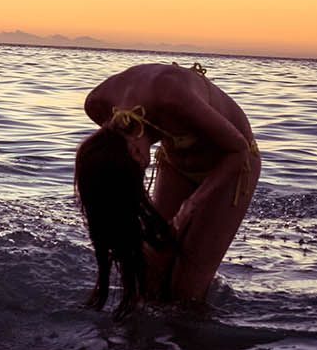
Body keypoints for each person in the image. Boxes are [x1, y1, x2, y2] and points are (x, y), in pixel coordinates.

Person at [76, 62, 260, 316]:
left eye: (138, 170)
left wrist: (192, 204)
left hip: (232, 164)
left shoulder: (170, 95)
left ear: (132, 149)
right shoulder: (98, 105)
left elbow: (237, 148)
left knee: (186, 293)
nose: (144, 172)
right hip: (176, 163)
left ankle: (190, 346)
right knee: (149, 276)